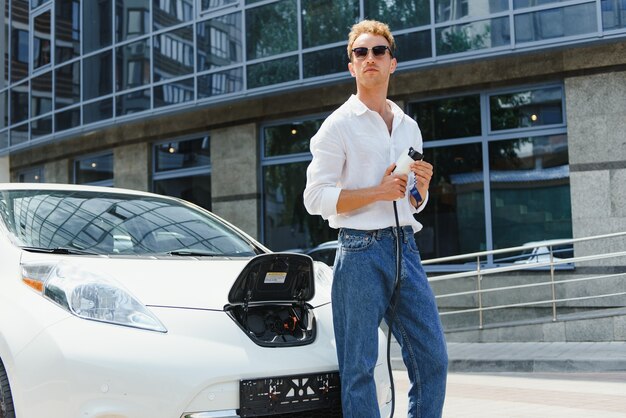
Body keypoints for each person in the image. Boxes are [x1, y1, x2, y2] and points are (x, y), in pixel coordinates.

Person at [303, 20, 448, 418]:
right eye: (360, 52)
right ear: (351, 67)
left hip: (406, 246)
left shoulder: (408, 125)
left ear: (392, 63)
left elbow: (412, 203)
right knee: (359, 369)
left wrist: (422, 186)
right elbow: (314, 198)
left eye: (378, 51)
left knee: (433, 358)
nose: (370, 58)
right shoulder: (337, 126)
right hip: (360, 251)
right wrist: (377, 192)